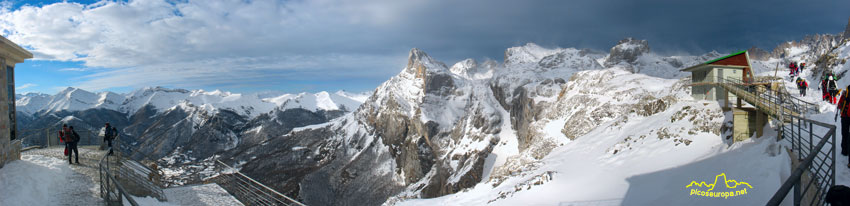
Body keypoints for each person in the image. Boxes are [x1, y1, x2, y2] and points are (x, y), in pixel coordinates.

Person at [837, 87, 850, 169]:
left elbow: (839, 105)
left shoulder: (845, 94)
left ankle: (844, 151)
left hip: (845, 117)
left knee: (844, 134)